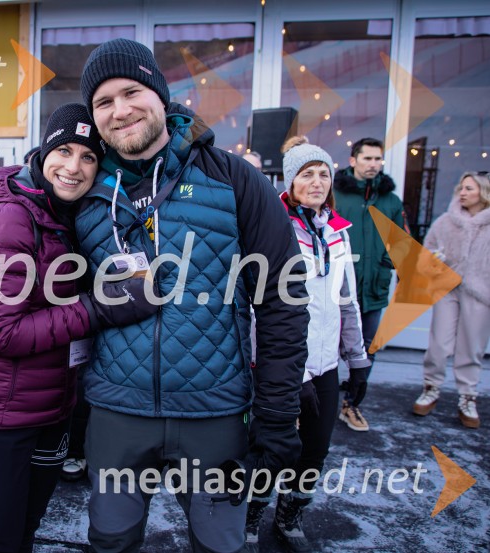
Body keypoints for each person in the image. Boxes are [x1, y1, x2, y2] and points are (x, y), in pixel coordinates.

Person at [76, 38, 309, 553]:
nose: (120, 110)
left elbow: (282, 299)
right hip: (117, 413)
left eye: (131, 92)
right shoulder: (85, 191)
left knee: (219, 546)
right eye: (104, 102)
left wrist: (276, 412)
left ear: (161, 96)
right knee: (110, 542)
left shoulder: (232, 178)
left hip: (215, 416)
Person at [0, 103, 155, 553]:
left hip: (51, 409)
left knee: (24, 534)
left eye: (88, 157)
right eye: (63, 151)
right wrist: (100, 307)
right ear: (42, 153)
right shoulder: (11, 218)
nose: (74, 167)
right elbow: (2, 333)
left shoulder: (65, 216)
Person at [244, 137, 370, 553]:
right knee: (273, 448)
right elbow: (258, 304)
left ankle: (290, 518)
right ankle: (250, 521)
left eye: (323, 174)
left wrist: (358, 359)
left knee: (315, 451)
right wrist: (278, 369)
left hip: (326, 365)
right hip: (281, 365)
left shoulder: (338, 231)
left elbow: (346, 301)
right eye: (306, 174)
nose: (316, 182)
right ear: (290, 180)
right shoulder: (274, 226)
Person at [333, 137, 406, 432]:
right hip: (337, 290)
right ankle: (311, 405)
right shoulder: (336, 194)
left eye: (378, 159)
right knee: (320, 347)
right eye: (368, 158)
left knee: (366, 352)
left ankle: (352, 404)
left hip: (373, 291)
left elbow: (400, 244)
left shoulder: (390, 200)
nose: (374, 164)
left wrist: (384, 264)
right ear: (353, 160)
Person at [412, 171, 490, 429]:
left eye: (469, 188)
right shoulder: (446, 222)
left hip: (480, 291)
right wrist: (436, 258)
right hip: (447, 289)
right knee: (438, 342)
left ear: (483, 192)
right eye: (461, 188)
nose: (463, 193)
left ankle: (468, 397)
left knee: (472, 347)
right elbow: (427, 254)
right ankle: (431, 388)